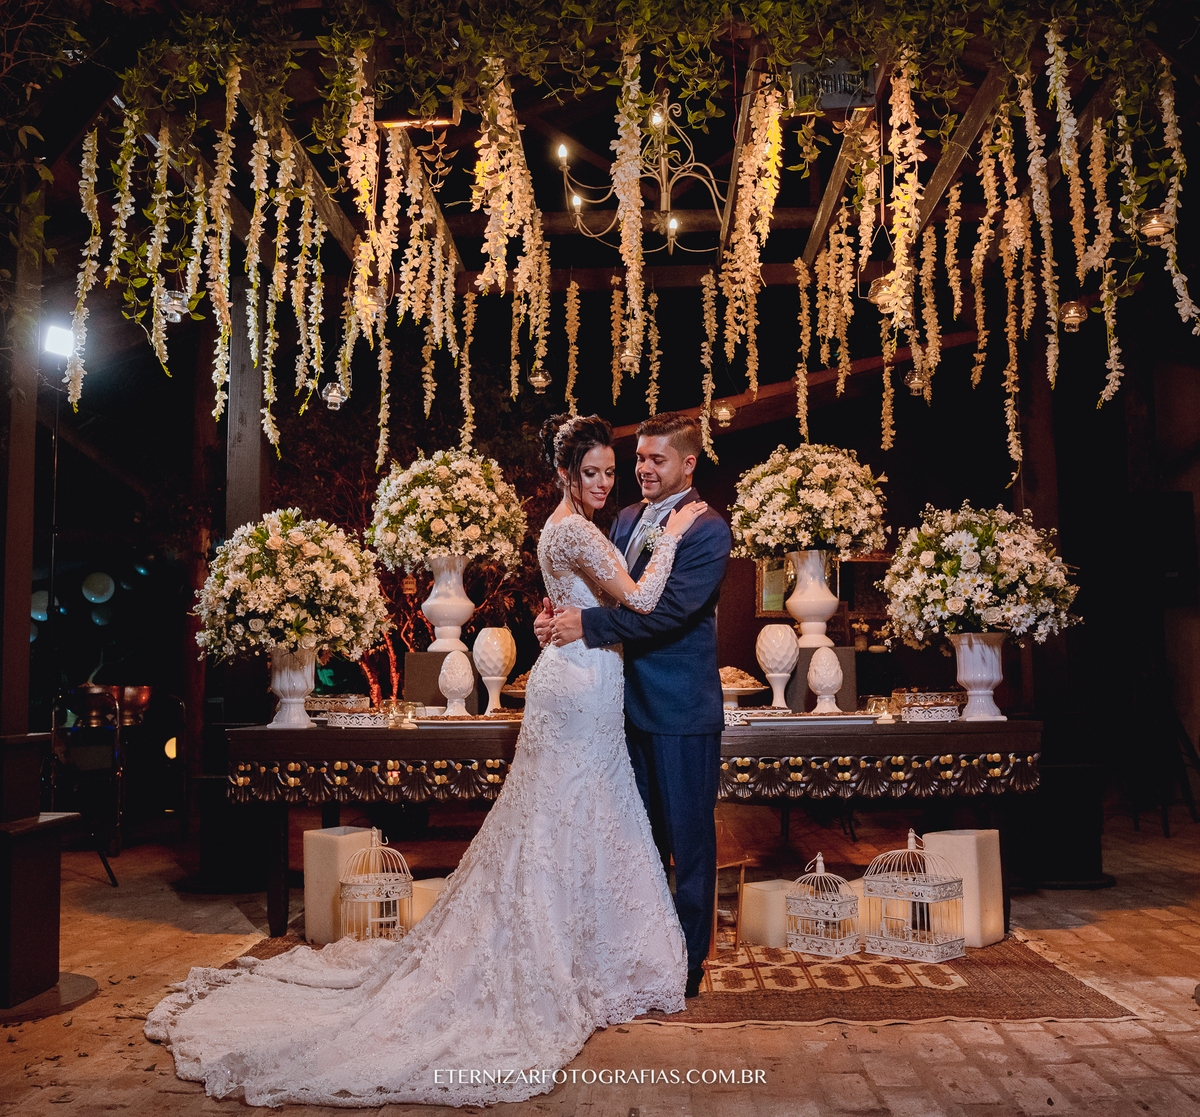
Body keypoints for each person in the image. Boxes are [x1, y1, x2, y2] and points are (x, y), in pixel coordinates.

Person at [144, 414, 707, 1108]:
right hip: (582, 683)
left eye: (608, 473)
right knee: (567, 813)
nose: (603, 483)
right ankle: (564, 959)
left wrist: (579, 608)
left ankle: (584, 949)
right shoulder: (578, 528)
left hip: (582, 679)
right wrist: (673, 538)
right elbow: (646, 597)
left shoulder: (574, 526)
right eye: (590, 472)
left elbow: (591, 596)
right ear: (565, 473)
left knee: (573, 813)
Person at [539, 412, 731, 1000]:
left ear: (687, 465)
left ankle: (687, 968)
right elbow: (598, 583)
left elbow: (668, 611)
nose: (643, 470)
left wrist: (586, 624)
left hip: (679, 709)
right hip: (616, 707)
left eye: (657, 460)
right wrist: (556, 614)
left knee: (688, 845)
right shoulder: (620, 519)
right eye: (640, 459)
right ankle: (640, 957)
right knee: (633, 843)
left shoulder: (707, 530)